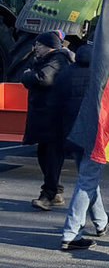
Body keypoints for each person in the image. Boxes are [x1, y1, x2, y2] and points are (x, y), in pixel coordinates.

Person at [55, 43, 109, 251]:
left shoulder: (65, 73)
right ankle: (71, 234)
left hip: (72, 135)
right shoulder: (102, 75)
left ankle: (101, 222)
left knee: (87, 179)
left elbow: (56, 102)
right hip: (94, 136)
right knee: (87, 181)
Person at [21, 30, 74, 210]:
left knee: (51, 156)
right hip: (46, 116)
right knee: (45, 155)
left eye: (40, 45)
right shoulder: (49, 60)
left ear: (50, 46)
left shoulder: (58, 60)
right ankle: (56, 191)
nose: (36, 47)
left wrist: (27, 75)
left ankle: (48, 195)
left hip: (53, 117)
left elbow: (43, 79)